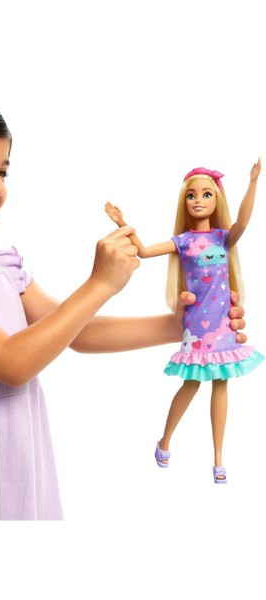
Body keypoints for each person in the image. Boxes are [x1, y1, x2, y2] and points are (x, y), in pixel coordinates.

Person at [0, 81, 247, 520]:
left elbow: (78, 333)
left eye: (3, 171)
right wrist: (99, 284)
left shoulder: (0, 267)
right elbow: (12, 362)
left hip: (17, 461)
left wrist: (183, 325)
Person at [105, 162, 263, 484]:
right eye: (191, 195)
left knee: (221, 383)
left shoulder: (222, 238)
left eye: (206, 194)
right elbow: (144, 251)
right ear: (184, 202)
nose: (198, 200)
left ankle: (218, 459)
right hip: (197, 326)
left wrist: (252, 182)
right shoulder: (184, 241)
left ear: (217, 199)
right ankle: (165, 440)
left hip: (224, 325)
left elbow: (243, 222)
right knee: (191, 383)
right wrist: (123, 223)